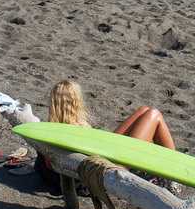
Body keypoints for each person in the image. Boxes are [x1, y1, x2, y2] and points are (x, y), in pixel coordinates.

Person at [35, 80, 177, 190]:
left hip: (101, 156)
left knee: (144, 110)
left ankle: (171, 172)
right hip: (106, 170)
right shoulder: (76, 129)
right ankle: (173, 176)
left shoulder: (50, 129)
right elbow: (58, 165)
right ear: (75, 103)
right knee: (154, 114)